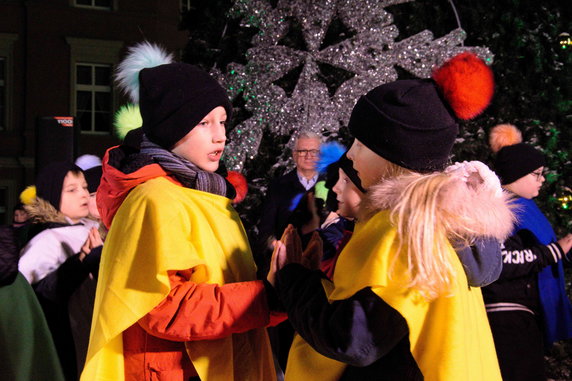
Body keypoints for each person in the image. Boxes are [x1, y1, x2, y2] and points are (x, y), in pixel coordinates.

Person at [267, 52, 514, 380]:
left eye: (360, 144)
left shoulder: (405, 227)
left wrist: (294, 280)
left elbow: (354, 339)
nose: (350, 155)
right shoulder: (445, 228)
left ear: (394, 158)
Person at [81, 41, 280, 381]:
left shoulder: (206, 194)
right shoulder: (156, 200)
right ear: (172, 127)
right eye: (204, 123)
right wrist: (268, 299)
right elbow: (164, 308)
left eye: (222, 122)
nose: (220, 137)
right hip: (174, 370)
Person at [482, 123, 572, 381]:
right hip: (506, 317)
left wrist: (562, 252)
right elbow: (500, 260)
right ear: (517, 173)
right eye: (537, 173)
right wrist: (554, 251)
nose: (542, 180)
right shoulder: (499, 207)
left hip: (523, 316)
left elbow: (534, 256)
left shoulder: (526, 210)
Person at [18, 162, 101, 381]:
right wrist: (81, 262)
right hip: (68, 340)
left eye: (84, 187)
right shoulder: (45, 240)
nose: (83, 194)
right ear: (54, 195)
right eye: (72, 190)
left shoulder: (89, 228)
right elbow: (33, 296)